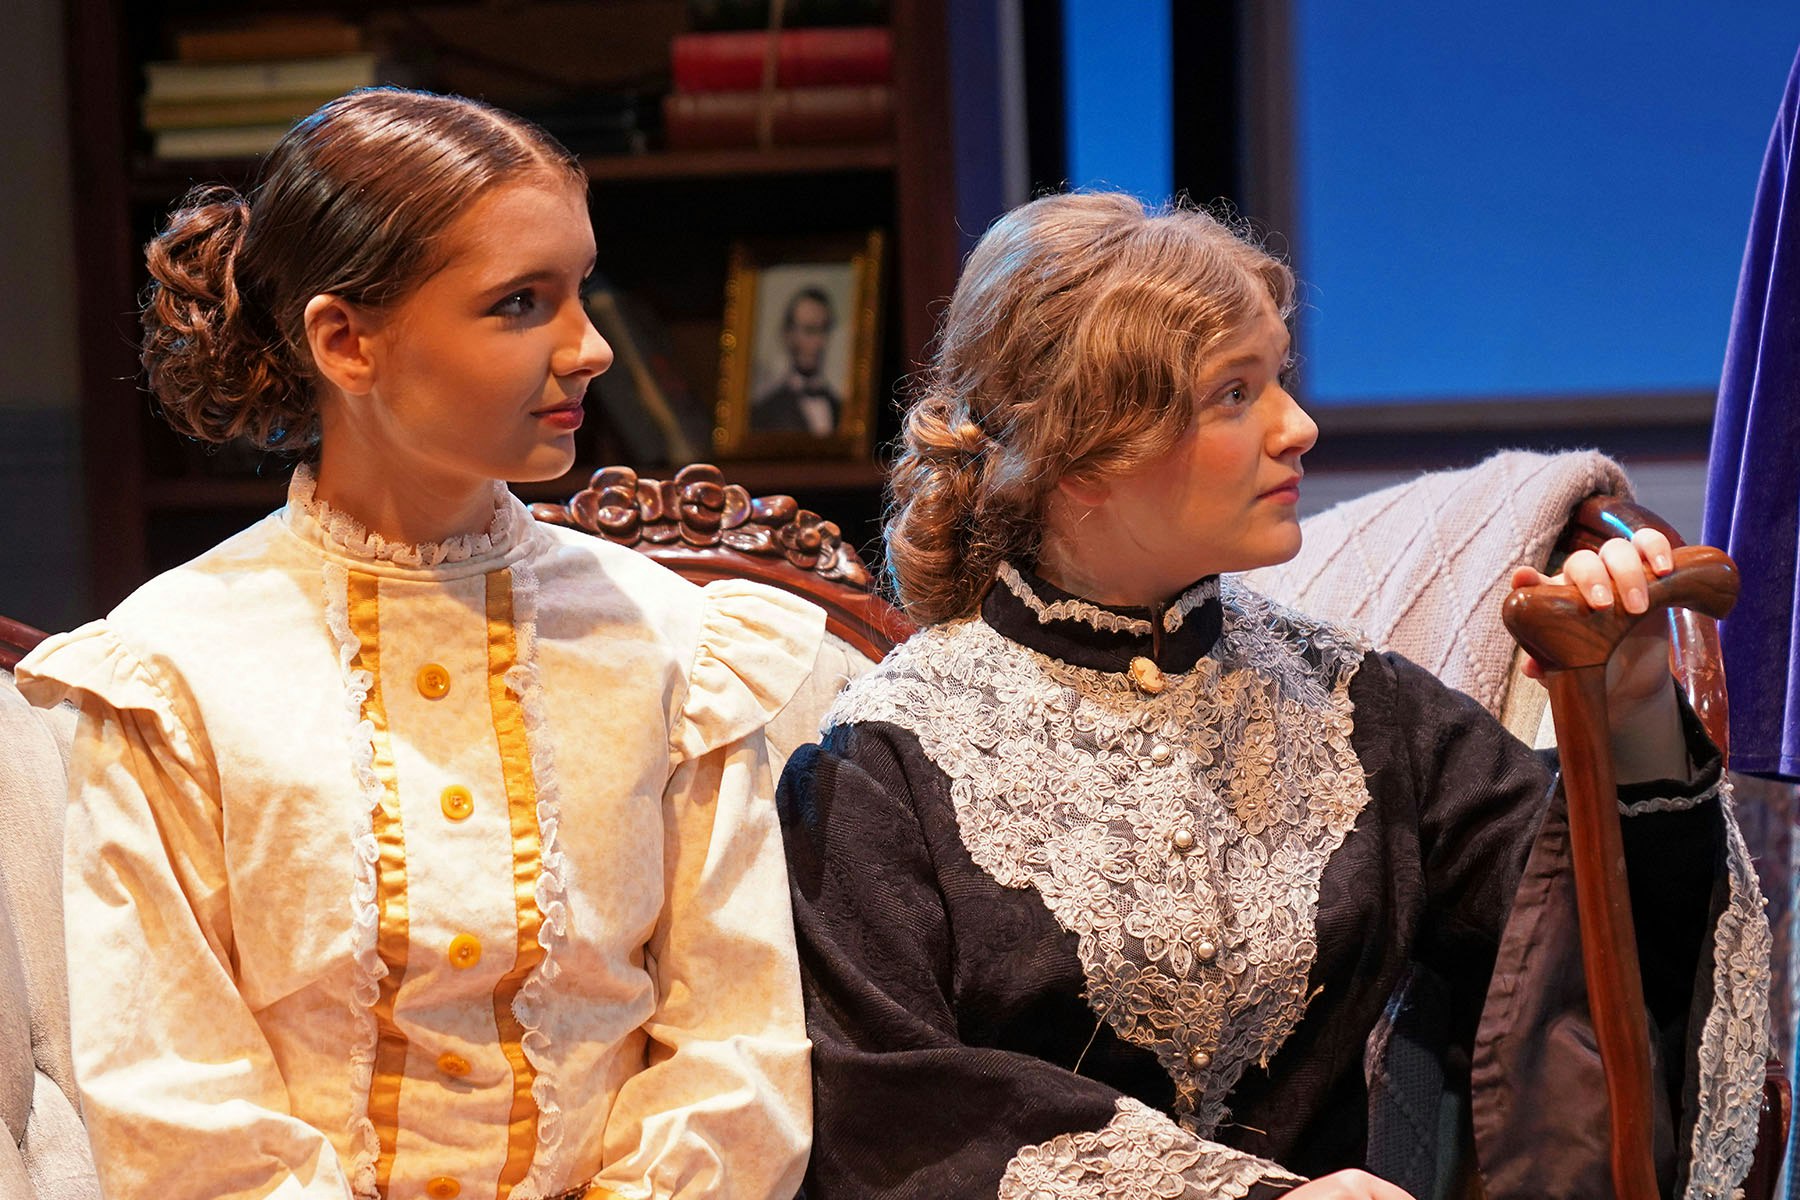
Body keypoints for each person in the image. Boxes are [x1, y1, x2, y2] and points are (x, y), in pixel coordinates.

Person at [777, 192, 1770, 1199]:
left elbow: (1603, 939)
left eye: (1278, 380)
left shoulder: (1353, 705)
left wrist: (1634, 704)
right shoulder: (887, 763)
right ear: (1085, 453)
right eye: (1236, 394)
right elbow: (883, 1111)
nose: (1300, 427)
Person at [16, 88, 824, 1200]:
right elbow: (176, 1101)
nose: (588, 348)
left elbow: (738, 1054)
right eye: (520, 303)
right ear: (346, 340)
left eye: (578, 290)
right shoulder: (177, 670)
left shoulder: (672, 646)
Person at [752, 287, 843, 436]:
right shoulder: (765, 412)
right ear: (788, 335)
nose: (820, 342)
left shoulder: (842, 409)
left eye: (825, 330)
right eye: (810, 330)